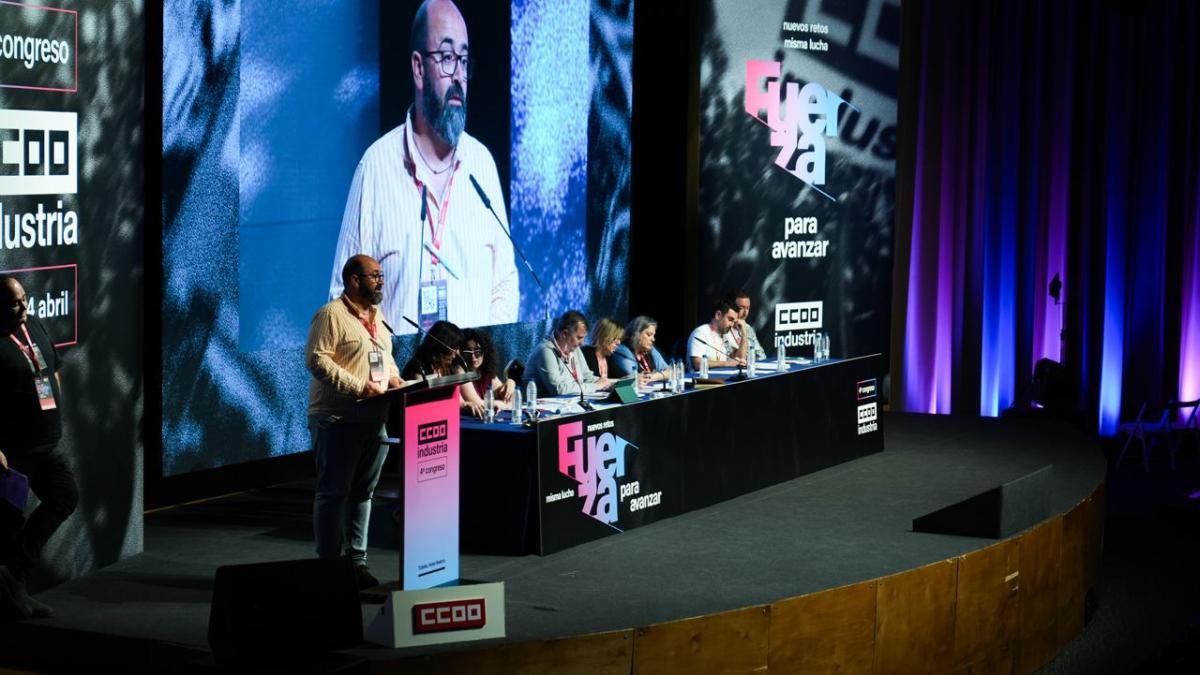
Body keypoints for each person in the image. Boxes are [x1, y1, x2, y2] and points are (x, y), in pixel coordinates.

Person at [329, 0, 519, 331]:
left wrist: (483, 363)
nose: (459, 75)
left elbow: (504, 284)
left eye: (463, 60)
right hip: (400, 380)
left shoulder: (482, 165)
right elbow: (343, 299)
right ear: (418, 68)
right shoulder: (376, 167)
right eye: (446, 58)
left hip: (471, 380)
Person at [305, 255, 403, 590]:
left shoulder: (377, 316)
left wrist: (394, 379)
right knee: (334, 494)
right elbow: (317, 361)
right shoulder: (330, 315)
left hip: (374, 419)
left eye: (381, 275)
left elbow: (384, 357)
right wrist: (358, 386)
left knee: (363, 494)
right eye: (374, 275)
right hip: (336, 419)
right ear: (354, 280)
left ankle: (357, 563)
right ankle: (330, 566)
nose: (381, 281)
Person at [0, 275, 76, 620]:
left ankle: (13, 576)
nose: (23, 308)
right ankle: (12, 592)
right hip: (13, 451)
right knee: (7, 523)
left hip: (46, 444)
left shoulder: (34, 325)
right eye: (14, 303)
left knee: (64, 496)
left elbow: (51, 367)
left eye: (24, 300)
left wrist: (55, 405)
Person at [400, 320, 486, 418]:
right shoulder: (418, 368)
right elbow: (421, 406)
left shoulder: (449, 367)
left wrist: (466, 405)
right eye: (454, 347)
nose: (457, 352)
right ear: (442, 346)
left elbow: (459, 401)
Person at [526, 310, 609, 396]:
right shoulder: (545, 351)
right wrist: (595, 386)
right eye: (579, 338)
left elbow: (587, 378)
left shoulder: (574, 348)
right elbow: (558, 390)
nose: (582, 343)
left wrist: (612, 383)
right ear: (564, 334)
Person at [460, 328, 516, 411]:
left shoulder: (485, 372)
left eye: (478, 352)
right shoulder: (459, 373)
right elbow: (478, 403)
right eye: (468, 353)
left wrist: (510, 383)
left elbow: (510, 399)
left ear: (485, 352)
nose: (473, 357)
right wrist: (502, 404)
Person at [688, 299, 748, 371]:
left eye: (734, 321)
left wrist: (744, 335)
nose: (732, 325)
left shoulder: (727, 334)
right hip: (700, 380)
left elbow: (739, 359)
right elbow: (697, 364)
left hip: (722, 379)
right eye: (730, 319)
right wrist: (726, 363)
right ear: (718, 315)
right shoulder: (701, 332)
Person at [612, 315, 670, 384]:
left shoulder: (650, 349)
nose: (653, 339)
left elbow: (670, 371)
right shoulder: (622, 350)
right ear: (637, 334)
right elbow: (634, 377)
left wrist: (653, 376)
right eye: (649, 335)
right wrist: (661, 375)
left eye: (653, 335)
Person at [727, 289, 767, 361]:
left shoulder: (748, 328)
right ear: (730, 307)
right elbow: (735, 360)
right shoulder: (724, 330)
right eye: (741, 308)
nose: (745, 313)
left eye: (748, 308)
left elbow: (761, 356)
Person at [581, 318, 623, 382]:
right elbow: (590, 381)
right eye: (616, 338)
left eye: (619, 339)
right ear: (604, 336)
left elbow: (621, 377)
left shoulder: (609, 357)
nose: (618, 342)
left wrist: (635, 378)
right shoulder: (586, 353)